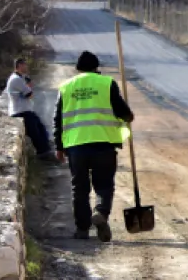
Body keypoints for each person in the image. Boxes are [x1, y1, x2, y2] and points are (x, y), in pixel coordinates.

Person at [53, 51, 134, 242]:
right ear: (97, 68)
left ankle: (82, 229)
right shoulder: (107, 84)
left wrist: (59, 147)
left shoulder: (65, 87)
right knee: (104, 184)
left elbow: (58, 120)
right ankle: (100, 212)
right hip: (103, 144)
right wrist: (129, 116)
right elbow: (124, 113)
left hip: (75, 146)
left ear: (78, 68)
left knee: (79, 188)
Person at [6, 58, 56, 161]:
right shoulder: (16, 79)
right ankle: (44, 156)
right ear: (19, 65)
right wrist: (28, 87)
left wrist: (28, 86)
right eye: (25, 65)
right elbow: (29, 94)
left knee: (42, 130)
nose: (27, 67)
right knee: (36, 134)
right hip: (20, 112)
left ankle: (46, 153)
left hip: (26, 110)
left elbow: (28, 92)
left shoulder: (20, 78)